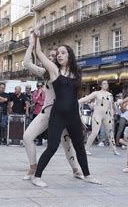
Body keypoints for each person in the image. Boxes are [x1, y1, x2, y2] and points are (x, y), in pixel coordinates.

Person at [31, 20, 100, 187]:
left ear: (69, 56)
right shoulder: (54, 71)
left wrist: (80, 119)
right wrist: (37, 34)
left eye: (62, 53)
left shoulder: (76, 74)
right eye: (58, 53)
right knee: (53, 146)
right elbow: (39, 53)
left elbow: (74, 98)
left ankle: (87, 175)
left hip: (73, 115)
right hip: (58, 115)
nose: (59, 55)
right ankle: (37, 176)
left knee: (79, 147)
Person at [21, 26, 83, 182]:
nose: (53, 57)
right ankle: (33, 167)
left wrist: (79, 116)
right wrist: (31, 44)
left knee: (66, 142)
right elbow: (27, 63)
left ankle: (76, 169)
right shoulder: (46, 72)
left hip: (64, 113)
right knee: (27, 136)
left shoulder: (67, 73)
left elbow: (73, 98)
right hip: (47, 112)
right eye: (51, 55)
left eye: (55, 55)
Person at [78, 80, 120, 156]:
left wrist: (113, 115)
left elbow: (111, 106)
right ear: (100, 85)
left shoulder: (110, 95)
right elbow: (86, 98)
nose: (106, 85)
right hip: (97, 115)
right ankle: (85, 149)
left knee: (110, 133)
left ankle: (114, 150)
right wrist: (77, 101)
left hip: (107, 115)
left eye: (107, 83)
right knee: (94, 132)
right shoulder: (97, 93)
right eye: (104, 83)